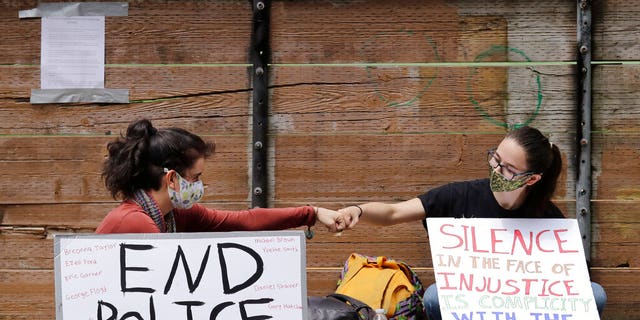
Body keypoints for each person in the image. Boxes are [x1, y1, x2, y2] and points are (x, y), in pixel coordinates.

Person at [338, 126, 607, 319]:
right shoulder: (460, 196)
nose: (495, 169)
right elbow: (393, 213)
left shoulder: (548, 217)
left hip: (527, 309)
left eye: (507, 169)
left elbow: (574, 283)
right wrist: (357, 210)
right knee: (435, 297)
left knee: (595, 294)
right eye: (495, 159)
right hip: (474, 307)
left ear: (531, 179)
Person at [96, 118, 346, 235]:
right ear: (171, 179)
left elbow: (243, 221)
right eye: (195, 177)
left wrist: (312, 213)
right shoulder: (135, 222)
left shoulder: (169, 214)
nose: (199, 185)